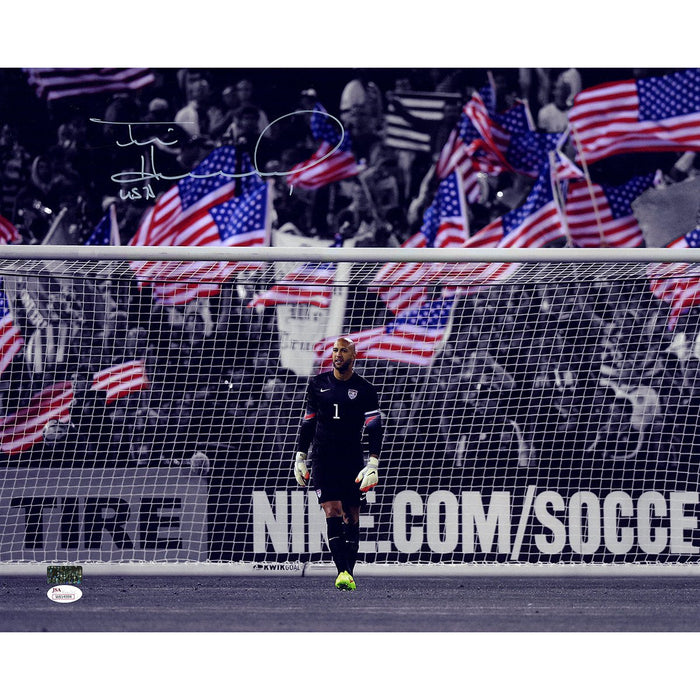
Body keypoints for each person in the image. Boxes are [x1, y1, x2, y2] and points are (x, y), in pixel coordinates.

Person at [293, 336, 383, 590]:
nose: (337, 354)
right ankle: (343, 573)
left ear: (354, 356)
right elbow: (308, 422)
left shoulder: (365, 390)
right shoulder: (317, 384)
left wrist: (373, 463)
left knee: (351, 516)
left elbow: (375, 428)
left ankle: (348, 574)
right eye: (335, 350)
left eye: (343, 351)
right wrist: (300, 457)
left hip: (351, 457)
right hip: (323, 457)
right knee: (331, 511)